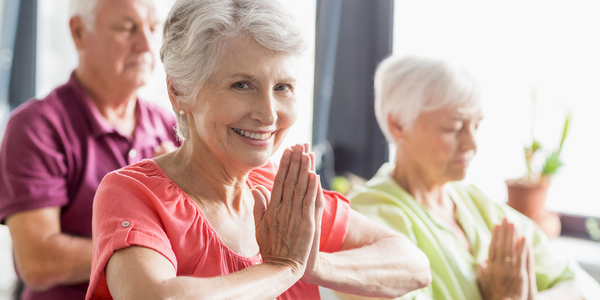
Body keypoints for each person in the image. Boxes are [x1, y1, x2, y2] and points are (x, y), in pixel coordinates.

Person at [84, 1, 434, 299]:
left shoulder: (279, 187)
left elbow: (413, 264)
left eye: (282, 87)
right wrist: (284, 269)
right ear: (179, 91)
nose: (268, 114)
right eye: (242, 85)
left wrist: (313, 264)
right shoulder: (132, 193)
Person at [334, 55, 600, 300]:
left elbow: (583, 286)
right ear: (398, 124)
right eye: (454, 127)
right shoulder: (366, 217)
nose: (472, 143)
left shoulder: (475, 202)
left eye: (476, 125)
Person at [0, 0, 180, 299]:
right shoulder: (36, 126)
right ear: (79, 33)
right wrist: (151, 244)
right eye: (127, 28)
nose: (147, 45)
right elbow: (38, 262)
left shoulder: (170, 126)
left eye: (152, 28)